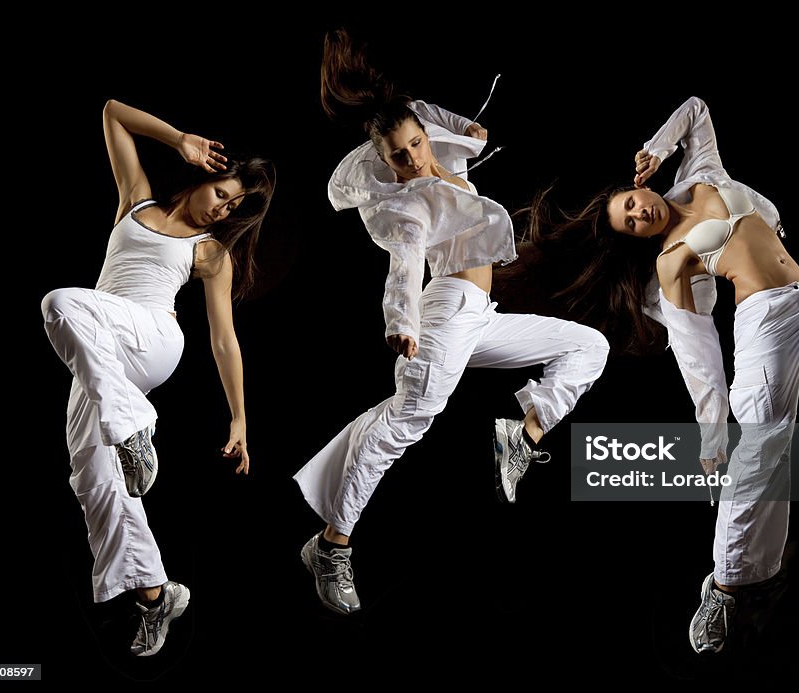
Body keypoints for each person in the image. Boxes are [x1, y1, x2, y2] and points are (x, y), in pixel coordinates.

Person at [517, 96, 799, 654]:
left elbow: (697, 109)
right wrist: (713, 428)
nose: (641, 213)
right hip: (768, 327)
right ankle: (728, 585)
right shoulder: (672, 263)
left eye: (632, 203)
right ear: (637, 238)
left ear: (638, 187)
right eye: (632, 223)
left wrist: (658, 146)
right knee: (761, 444)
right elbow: (698, 355)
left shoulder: (702, 175)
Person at [294, 29, 609, 616]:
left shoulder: (438, 150)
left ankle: (524, 436)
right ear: (384, 161)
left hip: (479, 318)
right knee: (404, 422)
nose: (414, 159)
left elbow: (457, 128)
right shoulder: (407, 202)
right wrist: (402, 320)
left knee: (589, 346)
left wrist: (467, 132)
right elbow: (406, 259)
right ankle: (332, 546)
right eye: (400, 155)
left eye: (416, 144)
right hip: (442, 314)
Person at [41, 100, 275, 656]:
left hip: (152, 340)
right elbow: (112, 113)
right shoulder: (134, 201)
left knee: (60, 303)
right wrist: (179, 139)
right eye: (223, 193)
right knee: (91, 476)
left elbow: (224, 341)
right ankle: (154, 593)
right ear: (204, 174)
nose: (223, 209)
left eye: (234, 206)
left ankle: (134, 426)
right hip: (105, 357)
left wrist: (240, 415)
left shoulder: (211, 252)